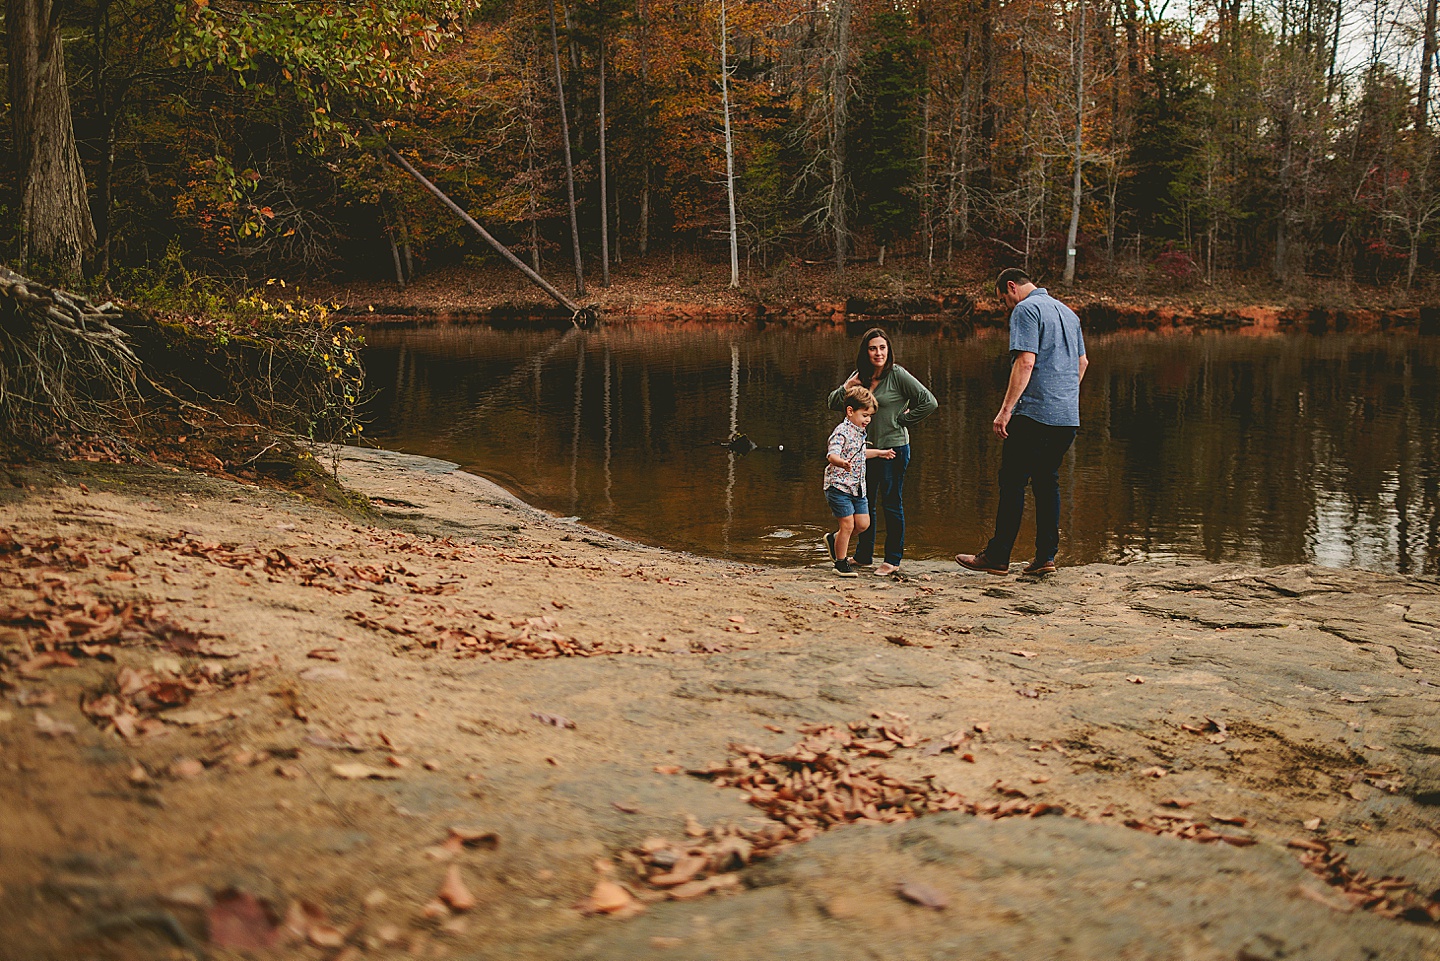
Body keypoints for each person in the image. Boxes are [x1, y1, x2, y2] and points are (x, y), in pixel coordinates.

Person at [958, 268, 1088, 577]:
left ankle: (998, 556)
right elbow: (1082, 363)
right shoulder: (1069, 313)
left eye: (1004, 299)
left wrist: (1006, 410)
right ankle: (1046, 557)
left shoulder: (1026, 309)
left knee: (1013, 480)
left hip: (1033, 415)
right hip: (1067, 417)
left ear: (1011, 287)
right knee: (1046, 481)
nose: (1006, 306)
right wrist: (1065, 395)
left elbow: (1026, 361)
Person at [828, 328, 938, 576]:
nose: (878, 353)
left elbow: (928, 401)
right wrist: (847, 386)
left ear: (888, 351)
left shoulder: (897, 375)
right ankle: (864, 556)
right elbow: (834, 403)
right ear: (865, 352)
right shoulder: (861, 377)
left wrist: (903, 420)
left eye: (882, 348)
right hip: (864, 452)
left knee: (891, 503)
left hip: (893, 449)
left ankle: (892, 559)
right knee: (866, 505)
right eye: (872, 348)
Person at [823, 386, 895, 578]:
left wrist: (880, 453)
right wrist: (841, 462)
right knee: (847, 524)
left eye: (870, 416)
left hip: (857, 488)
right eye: (865, 415)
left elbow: (860, 453)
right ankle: (840, 563)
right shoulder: (842, 432)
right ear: (850, 411)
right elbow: (832, 454)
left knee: (863, 524)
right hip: (838, 486)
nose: (868, 420)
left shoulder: (859, 432)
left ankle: (835, 539)